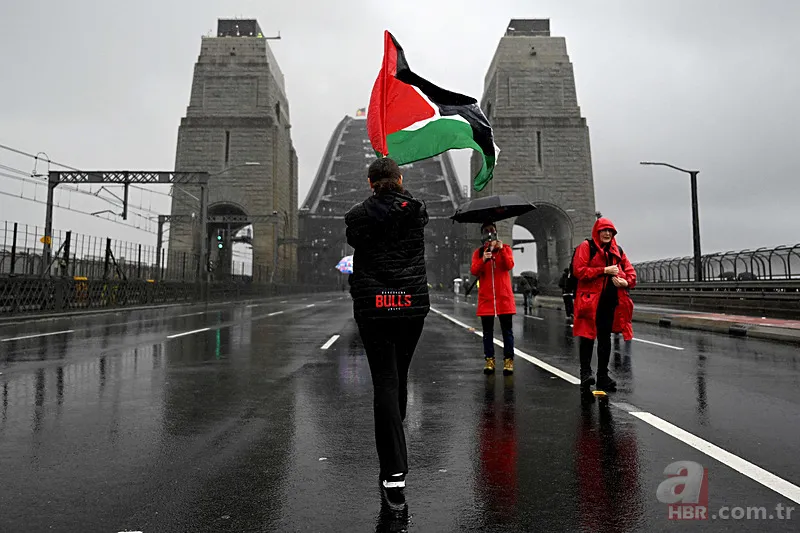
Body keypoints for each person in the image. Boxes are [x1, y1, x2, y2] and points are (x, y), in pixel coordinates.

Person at [345, 157, 429, 507]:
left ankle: (394, 474)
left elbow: (357, 238)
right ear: (400, 178)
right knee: (400, 374)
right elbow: (406, 210)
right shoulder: (417, 211)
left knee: (385, 380)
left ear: (369, 183)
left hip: (374, 306)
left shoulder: (356, 216)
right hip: (410, 305)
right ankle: (397, 426)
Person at [572, 217, 636, 393]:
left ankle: (602, 375)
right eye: (604, 230)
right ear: (597, 232)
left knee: (604, 338)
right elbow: (579, 271)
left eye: (611, 231)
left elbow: (631, 273)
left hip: (609, 301)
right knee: (586, 337)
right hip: (589, 301)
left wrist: (625, 282)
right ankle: (585, 372)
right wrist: (603, 271)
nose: (607, 233)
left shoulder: (618, 250)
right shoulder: (586, 247)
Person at [471, 222, 517, 375]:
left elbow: (509, 265)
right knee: (487, 332)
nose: (489, 234)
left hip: (503, 298)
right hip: (487, 299)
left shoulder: (506, 249)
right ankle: (489, 359)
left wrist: (501, 250)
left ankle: (508, 361)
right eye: (486, 231)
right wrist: (483, 259)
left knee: (507, 332)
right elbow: (474, 271)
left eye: (492, 230)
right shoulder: (478, 253)